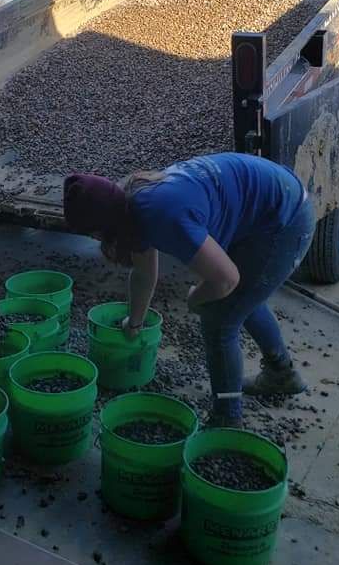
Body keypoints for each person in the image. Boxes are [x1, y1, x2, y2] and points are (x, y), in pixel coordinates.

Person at [63, 153, 315, 427]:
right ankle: (282, 374)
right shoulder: (131, 200)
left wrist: (197, 298)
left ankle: (226, 419)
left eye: (93, 234)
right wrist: (134, 322)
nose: (95, 240)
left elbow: (226, 279)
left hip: (285, 218)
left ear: (103, 227)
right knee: (242, 299)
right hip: (269, 202)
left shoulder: (161, 215)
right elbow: (144, 273)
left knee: (218, 319)